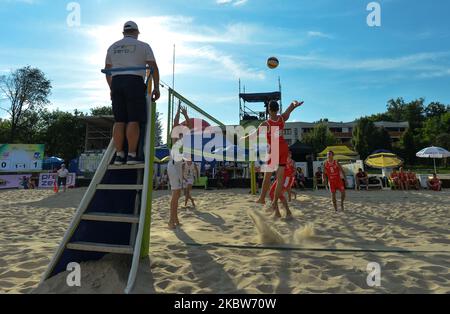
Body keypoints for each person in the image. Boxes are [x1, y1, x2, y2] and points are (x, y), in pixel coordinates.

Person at [105, 21, 161, 165]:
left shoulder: (112, 47)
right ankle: (131, 154)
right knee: (133, 120)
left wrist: (112, 88)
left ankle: (119, 155)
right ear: (136, 32)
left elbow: (107, 71)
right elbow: (153, 66)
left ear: (124, 32)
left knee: (119, 120)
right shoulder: (143, 46)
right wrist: (156, 87)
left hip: (117, 81)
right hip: (134, 81)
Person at [244, 100, 304, 214]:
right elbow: (289, 109)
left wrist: (244, 138)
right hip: (284, 148)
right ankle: (274, 202)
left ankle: (262, 199)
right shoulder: (282, 118)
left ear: (268, 110)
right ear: (277, 109)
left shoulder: (266, 124)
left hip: (275, 148)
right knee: (280, 178)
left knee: (267, 176)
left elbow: (254, 135)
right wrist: (294, 104)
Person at [167, 105, 192, 229]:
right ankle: (171, 221)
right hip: (173, 166)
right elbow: (175, 123)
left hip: (177, 167)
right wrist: (177, 112)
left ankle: (175, 219)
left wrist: (185, 114)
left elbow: (189, 126)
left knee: (177, 195)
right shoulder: (176, 138)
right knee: (175, 195)